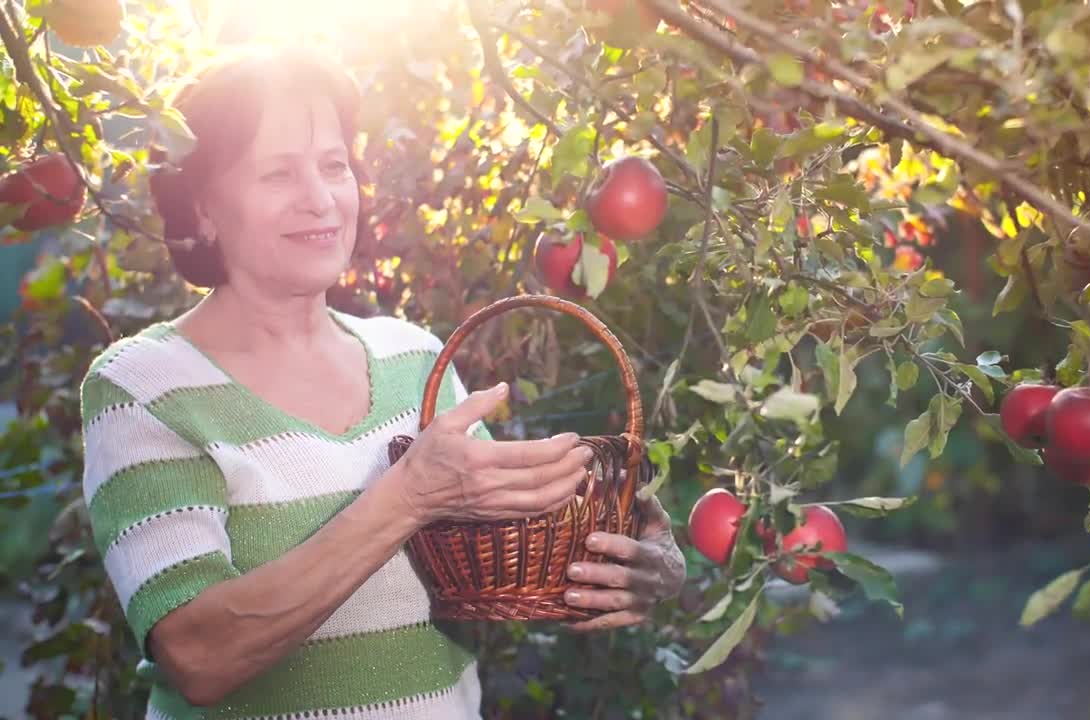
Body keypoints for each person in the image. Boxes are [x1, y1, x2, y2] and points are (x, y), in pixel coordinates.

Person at [79, 46, 686, 719]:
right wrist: (406, 499)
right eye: (278, 172)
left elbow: (514, 562)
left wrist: (636, 557)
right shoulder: (143, 385)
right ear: (200, 210)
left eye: (334, 166)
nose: (319, 198)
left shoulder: (415, 358)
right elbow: (198, 654)